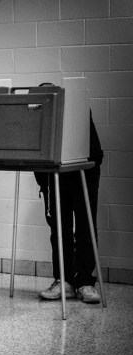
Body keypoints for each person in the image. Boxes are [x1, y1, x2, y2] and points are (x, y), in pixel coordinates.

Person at [35, 91, 104, 304]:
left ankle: (85, 282)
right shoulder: (40, 117)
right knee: (59, 229)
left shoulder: (78, 112)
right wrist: (44, 185)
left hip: (84, 171)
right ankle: (63, 280)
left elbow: (95, 155)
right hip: (55, 174)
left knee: (85, 228)